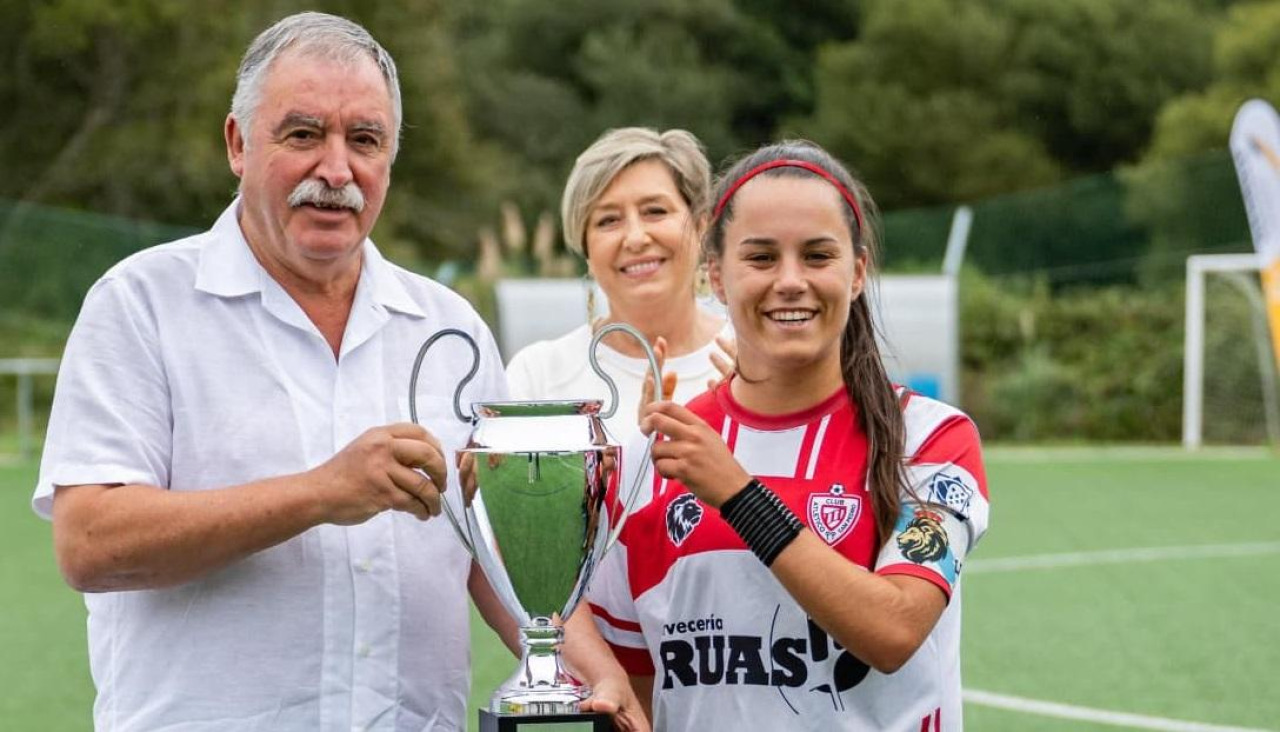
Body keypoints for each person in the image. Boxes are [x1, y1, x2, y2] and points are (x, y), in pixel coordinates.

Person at [32, 12, 642, 731]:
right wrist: (321, 492)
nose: (335, 170)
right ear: (237, 143)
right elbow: (91, 541)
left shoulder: (449, 328)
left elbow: (501, 556)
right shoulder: (142, 304)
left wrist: (596, 674)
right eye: (302, 134)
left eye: (364, 140)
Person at [587, 141, 990, 731]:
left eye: (818, 255)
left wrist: (737, 493)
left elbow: (893, 630)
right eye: (761, 258)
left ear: (856, 274)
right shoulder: (651, 462)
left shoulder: (930, 440)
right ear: (716, 278)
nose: (791, 281)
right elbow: (636, 695)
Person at [505, 128, 732, 445]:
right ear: (586, 250)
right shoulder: (540, 377)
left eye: (655, 211)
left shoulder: (750, 361)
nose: (636, 238)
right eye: (608, 220)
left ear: (700, 226)